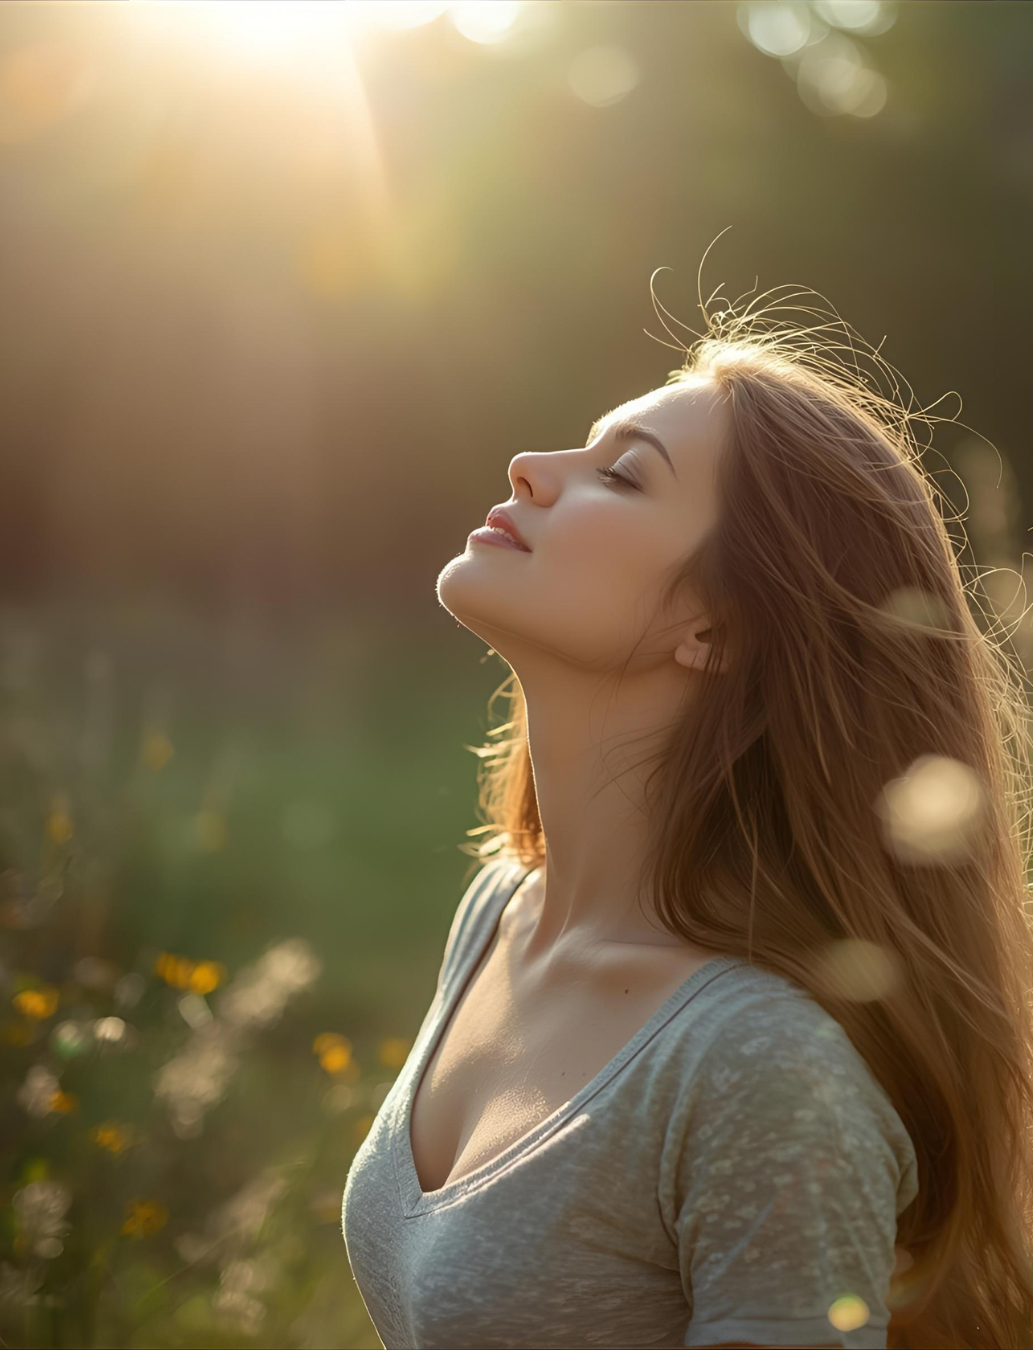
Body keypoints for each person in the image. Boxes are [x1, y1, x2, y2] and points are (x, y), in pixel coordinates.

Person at [342, 293, 1033, 1348]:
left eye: (621, 474)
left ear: (716, 625)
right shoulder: (500, 913)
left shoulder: (762, 1072)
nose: (531, 464)